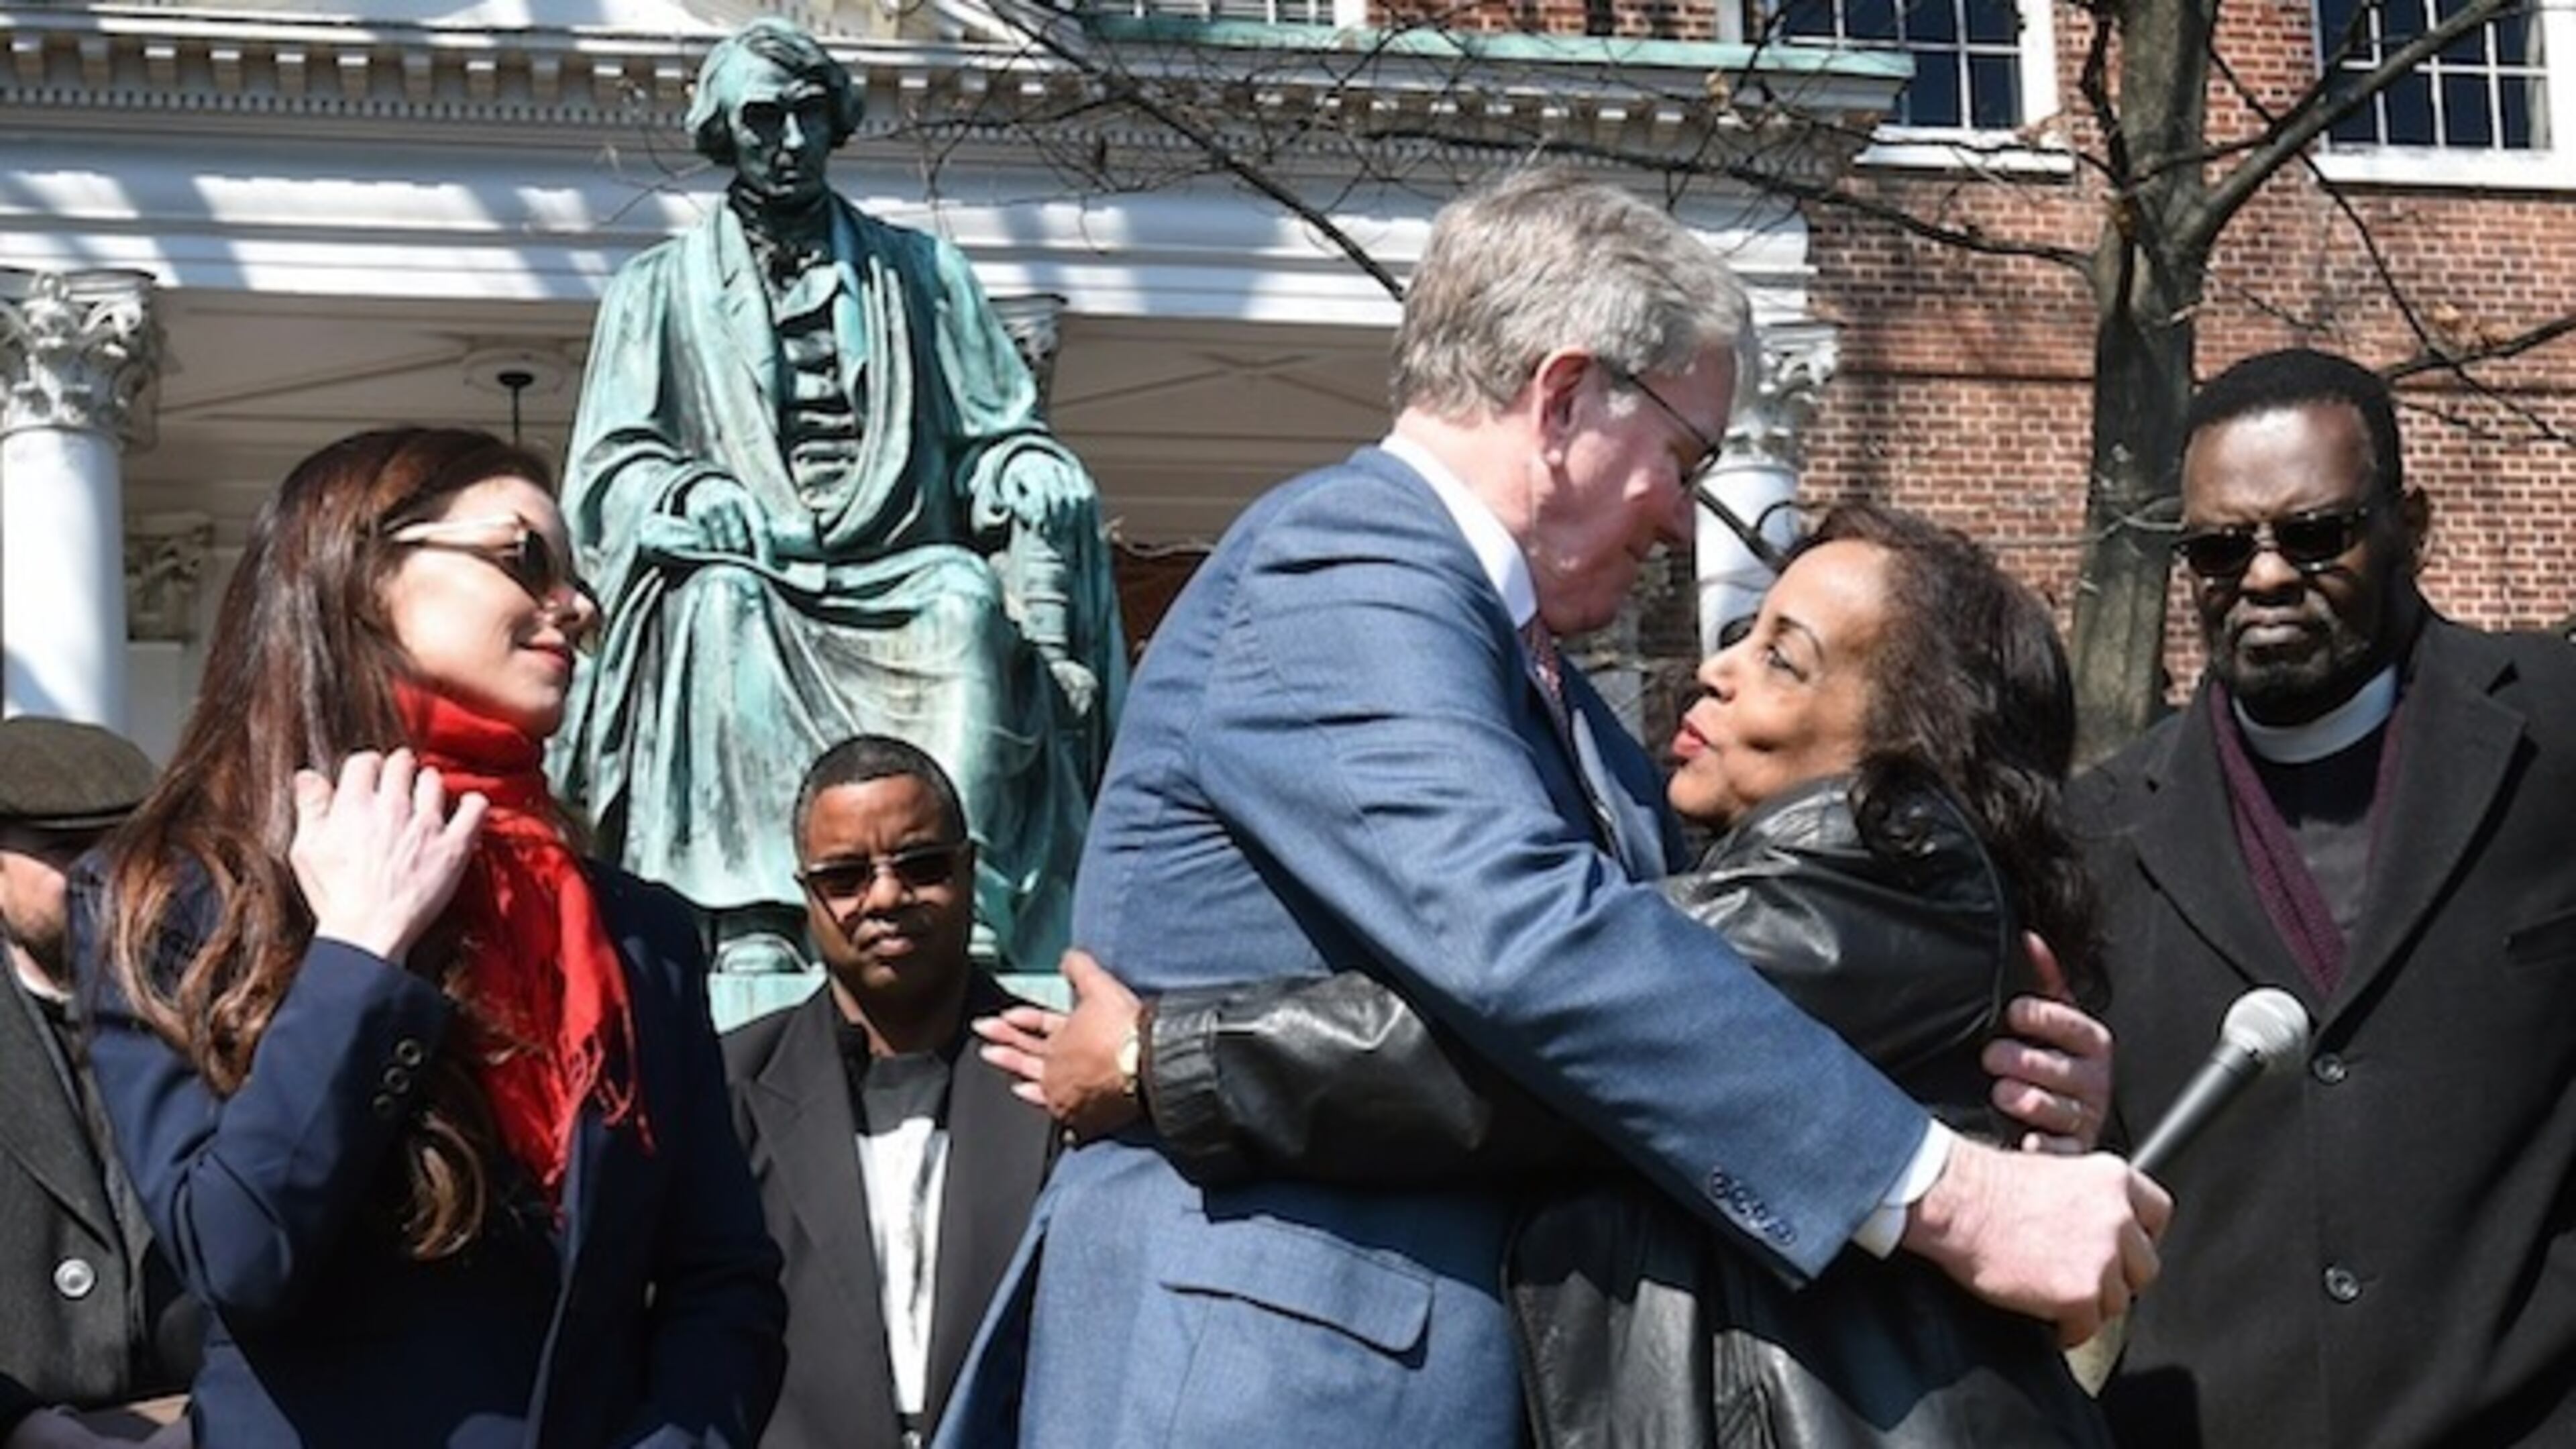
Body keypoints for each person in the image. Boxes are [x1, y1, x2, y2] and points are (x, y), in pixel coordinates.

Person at [932, 167, 2166, 1448]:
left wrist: (1989, 1091)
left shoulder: (1538, 680)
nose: (1682, 520)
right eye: (1681, 459)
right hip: (1282, 1376)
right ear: (1566, 399)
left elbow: (1691, 989)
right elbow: (1532, 945)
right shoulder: (1343, 565)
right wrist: (1951, 1194)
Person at [985, 503, 2116, 1445]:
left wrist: (1161, 1057)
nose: (1716, 672)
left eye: (1783, 658)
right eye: (1744, 633)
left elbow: (1530, 1053)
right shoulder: (1812, 887)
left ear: (1905, 745)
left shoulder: (1885, 873)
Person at [70, 427, 787, 1448]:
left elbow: (722, 1280)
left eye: (577, 578)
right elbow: (240, 1256)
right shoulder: (170, 895)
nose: (577, 607)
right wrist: (360, 955)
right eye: (523, 558)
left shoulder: (639, 933)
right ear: (364, 578)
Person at [553, 17, 1125, 978]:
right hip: (750, 572)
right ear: (723, 131)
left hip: (902, 565)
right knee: (720, 606)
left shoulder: (926, 275)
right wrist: (688, 488)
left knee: (963, 603)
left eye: (808, 114)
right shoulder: (653, 291)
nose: (788, 140)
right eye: (762, 119)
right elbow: (607, 474)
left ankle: (960, 890)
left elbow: (991, 436)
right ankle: (754, 912)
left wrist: (1023, 461)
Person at [2079, 347, 2576, 1448]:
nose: (2262, 578)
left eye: (2313, 535)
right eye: (2219, 550)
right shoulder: (2098, 832)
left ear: (2410, 527)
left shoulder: (2555, 733)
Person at [722, 736, 1055, 1449]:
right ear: (807, 895)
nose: (885, 897)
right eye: (844, 877)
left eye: (921, 865)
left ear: (968, 870)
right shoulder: (729, 1089)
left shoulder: (1059, 1080)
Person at [0, 718, 195, 1449]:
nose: (102, 877)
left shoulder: (211, 1009)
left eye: (123, 848)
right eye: (65, 851)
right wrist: (18, 1423)